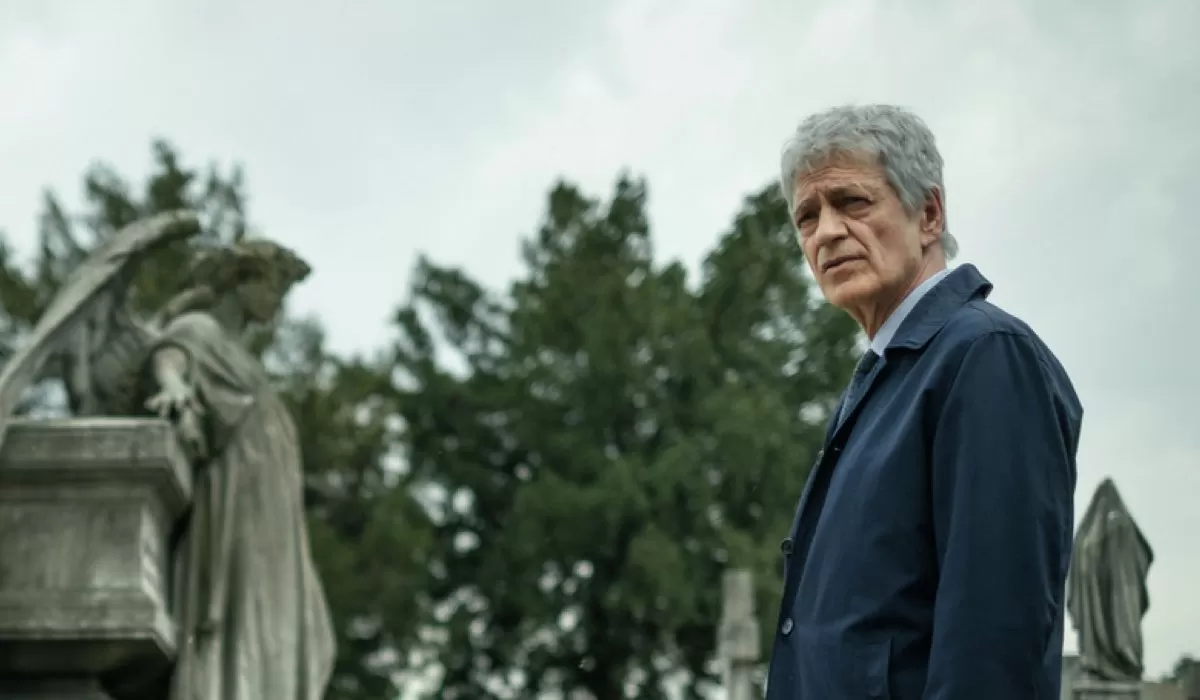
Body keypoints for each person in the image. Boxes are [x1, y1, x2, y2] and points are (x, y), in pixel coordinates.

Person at [765, 105, 1081, 699]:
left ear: (929, 214)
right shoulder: (884, 379)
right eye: (807, 216)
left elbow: (995, 641)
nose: (826, 231)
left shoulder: (985, 356)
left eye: (852, 202)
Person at [143, 239, 336, 700]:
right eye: (273, 289)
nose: (277, 305)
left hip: (272, 512)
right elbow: (170, 356)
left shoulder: (244, 359)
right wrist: (174, 389)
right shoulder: (201, 330)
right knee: (235, 611)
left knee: (287, 622)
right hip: (235, 497)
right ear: (242, 281)